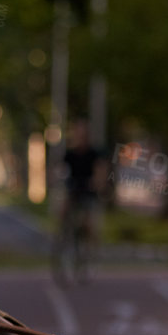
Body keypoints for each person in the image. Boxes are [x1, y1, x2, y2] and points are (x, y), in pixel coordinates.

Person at [54, 120, 107, 282]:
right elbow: (60, 171)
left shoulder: (94, 153)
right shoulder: (70, 154)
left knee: (89, 224)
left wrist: (97, 183)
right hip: (72, 192)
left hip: (88, 194)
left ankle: (90, 254)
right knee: (64, 213)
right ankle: (65, 242)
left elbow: (101, 171)